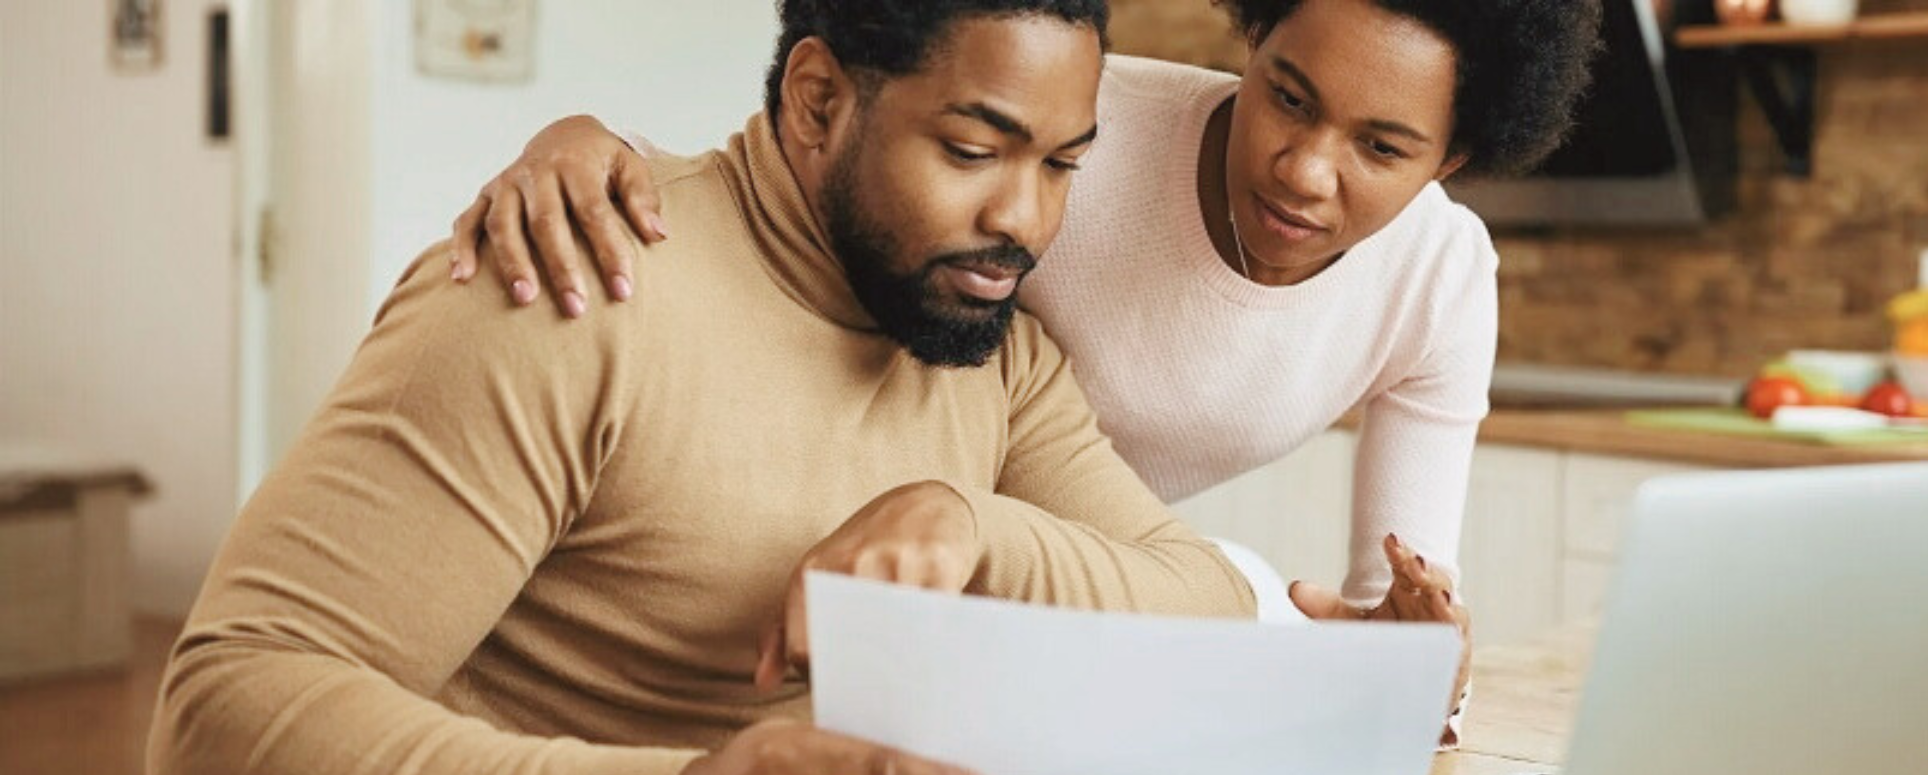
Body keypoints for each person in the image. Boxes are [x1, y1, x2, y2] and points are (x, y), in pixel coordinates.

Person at [145, 3, 1468, 773]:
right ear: (821, 98)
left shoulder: (989, 347)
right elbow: (224, 701)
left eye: (1066, 164)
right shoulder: (565, 283)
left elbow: (1192, 590)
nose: (1025, 219)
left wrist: (969, 521)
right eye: (973, 147)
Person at [448, 1, 1600, 717]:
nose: (1303, 168)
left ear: (1452, 162)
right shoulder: (1085, 136)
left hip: (1085, 596)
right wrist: (589, 142)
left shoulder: (1440, 282)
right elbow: (815, 175)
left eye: (1381, 146)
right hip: (854, 554)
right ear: (1250, 42)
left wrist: (1417, 669)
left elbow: (1379, 628)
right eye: (1286, 96)